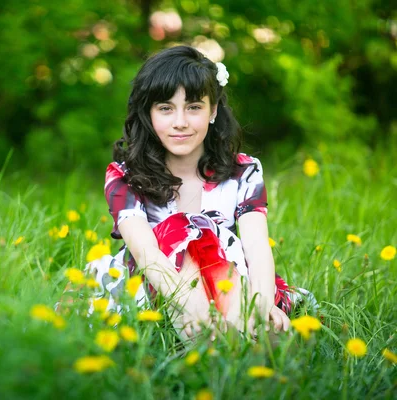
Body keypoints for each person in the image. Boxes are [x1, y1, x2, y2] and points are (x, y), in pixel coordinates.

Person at [85, 45, 317, 341]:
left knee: (208, 238)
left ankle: (236, 344)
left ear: (213, 110)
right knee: (183, 227)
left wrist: (260, 304)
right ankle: (223, 345)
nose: (180, 121)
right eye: (166, 108)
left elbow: (257, 248)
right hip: (154, 285)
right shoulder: (124, 176)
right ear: (149, 113)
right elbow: (147, 255)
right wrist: (199, 310)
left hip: (227, 283)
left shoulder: (243, 171)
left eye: (193, 107)